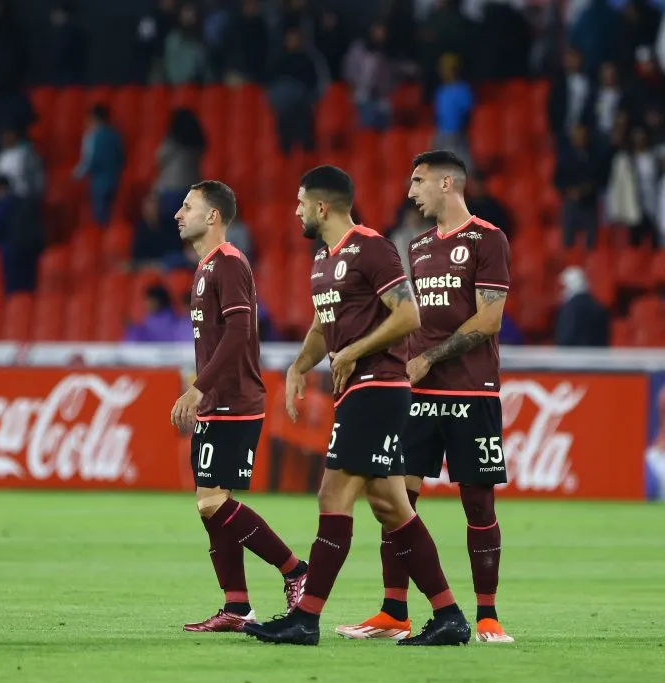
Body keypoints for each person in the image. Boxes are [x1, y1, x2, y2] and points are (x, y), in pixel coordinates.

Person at [243, 165, 470, 647]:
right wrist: (298, 367)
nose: (296, 210)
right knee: (392, 506)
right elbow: (324, 326)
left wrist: (351, 352)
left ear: (322, 206)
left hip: (378, 387)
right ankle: (449, 614)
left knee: (333, 495)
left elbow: (409, 314)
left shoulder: (371, 247)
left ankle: (305, 618)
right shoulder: (323, 259)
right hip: (361, 390)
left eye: (301, 202)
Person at [336, 150, 514, 644]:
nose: (410, 191)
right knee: (396, 500)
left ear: (447, 184)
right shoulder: (415, 246)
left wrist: (429, 358)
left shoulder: (488, 238)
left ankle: (487, 616)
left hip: (471, 390)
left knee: (477, 503)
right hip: (416, 393)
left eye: (418, 181)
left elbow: (489, 319)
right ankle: (395, 609)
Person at [169, 180, 308, 633]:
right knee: (209, 503)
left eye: (187, 207)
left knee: (212, 503)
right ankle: (237, 606)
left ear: (213, 217)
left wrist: (198, 387)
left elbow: (237, 333)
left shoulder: (228, 263)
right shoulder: (208, 267)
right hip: (219, 400)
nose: (178, 214)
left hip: (233, 400)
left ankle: (296, 571)